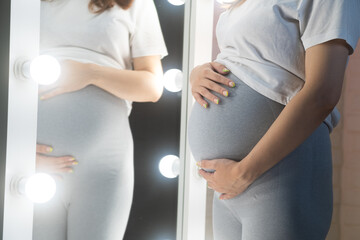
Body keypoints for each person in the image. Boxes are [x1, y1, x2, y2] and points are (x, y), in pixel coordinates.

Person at [188, 0, 359, 239]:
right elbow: (248, 59)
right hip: (228, 187)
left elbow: (323, 92)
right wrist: (198, 73)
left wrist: (242, 173)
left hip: (277, 173)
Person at [34, 0, 167, 239]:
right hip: (33, 165)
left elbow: (153, 87)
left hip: (103, 163)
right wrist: (11, 151)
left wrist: (90, 73)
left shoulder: (135, 3)